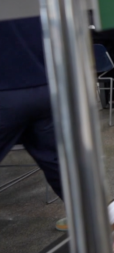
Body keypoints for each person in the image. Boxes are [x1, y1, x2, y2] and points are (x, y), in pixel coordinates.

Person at [0, 16, 65, 230]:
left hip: (5, 92)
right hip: (45, 88)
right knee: (56, 161)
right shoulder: (31, 3)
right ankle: (86, 217)